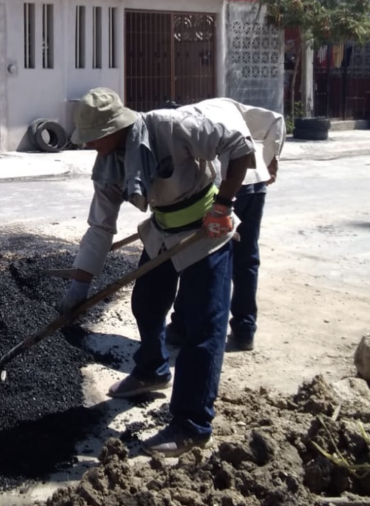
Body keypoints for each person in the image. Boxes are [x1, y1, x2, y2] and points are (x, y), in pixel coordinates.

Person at [59, 88, 256, 457]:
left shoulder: (171, 127)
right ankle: (152, 370)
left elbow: (240, 147)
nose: (88, 146)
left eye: (93, 138)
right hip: (164, 230)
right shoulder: (108, 165)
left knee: (203, 326)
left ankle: (192, 424)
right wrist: (78, 288)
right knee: (147, 304)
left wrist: (225, 204)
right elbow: (101, 228)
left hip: (206, 228)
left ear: (115, 128)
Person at [165, 98, 284, 351]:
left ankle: (181, 325)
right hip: (255, 183)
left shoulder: (182, 125)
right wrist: (272, 159)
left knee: (199, 255)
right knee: (246, 259)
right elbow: (276, 120)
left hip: (226, 187)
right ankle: (244, 330)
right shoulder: (225, 104)